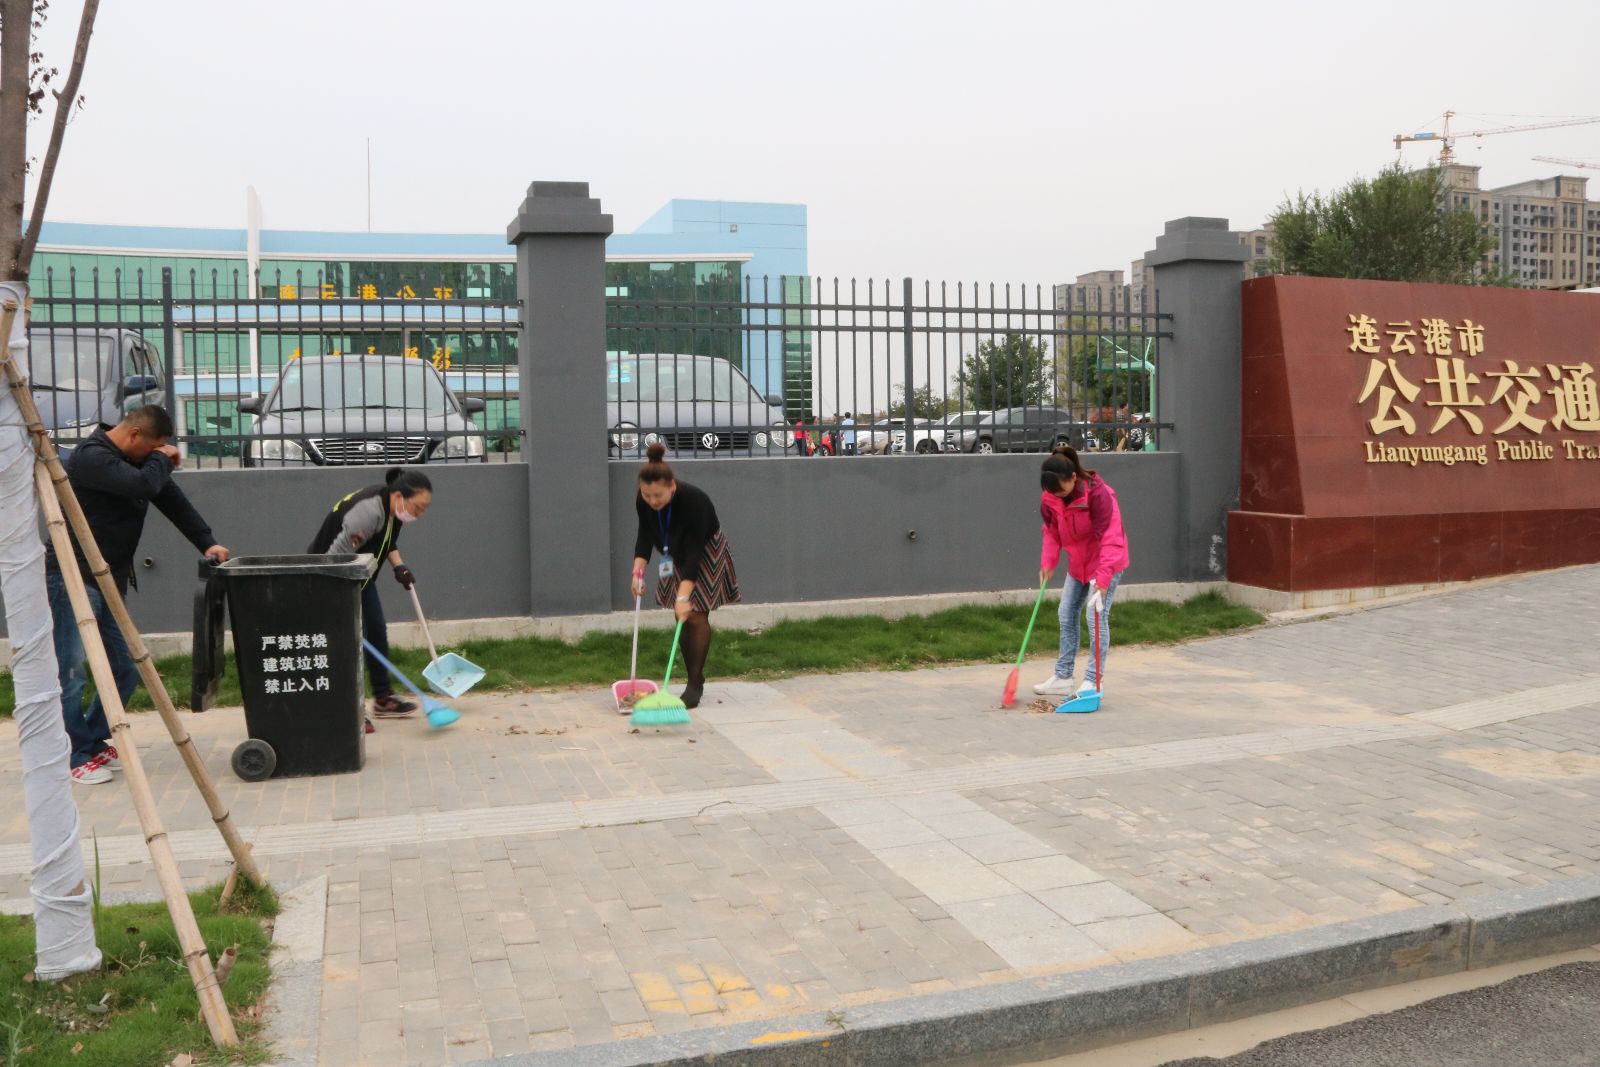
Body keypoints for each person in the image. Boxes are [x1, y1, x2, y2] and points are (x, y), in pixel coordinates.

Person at [45, 405, 230, 785]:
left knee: (125, 668)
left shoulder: (139, 462)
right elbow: (143, 486)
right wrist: (163, 457)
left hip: (110, 577)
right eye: (154, 446)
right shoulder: (91, 457)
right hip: (72, 577)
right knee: (73, 670)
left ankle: (92, 740)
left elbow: (170, 499)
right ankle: (73, 754)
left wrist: (207, 542)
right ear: (133, 435)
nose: (158, 454)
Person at [307, 467, 431, 728]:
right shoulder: (369, 511)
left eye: (423, 510)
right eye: (418, 508)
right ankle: (346, 710)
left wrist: (399, 566)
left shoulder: (392, 509)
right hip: (331, 578)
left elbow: (386, 539)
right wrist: (336, 599)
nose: (419, 514)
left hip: (359, 576)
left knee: (375, 629)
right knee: (346, 643)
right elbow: (335, 556)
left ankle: (382, 698)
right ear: (400, 496)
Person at [629, 442, 740, 709]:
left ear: (672, 487)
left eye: (658, 495)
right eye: (647, 495)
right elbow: (644, 535)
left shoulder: (693, 502)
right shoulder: (644, 500)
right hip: (672, 552)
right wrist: (637, 572)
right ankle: (693, 674)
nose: (652, 501)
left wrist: (683, 596)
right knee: (680, 616)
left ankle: (694, 684)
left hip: (705, 550)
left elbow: (694, 554)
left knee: (695, 614)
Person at [1032, 445, 1129, 699]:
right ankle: (1063, 677)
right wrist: (1048, 562)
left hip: (1105, 562)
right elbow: (1051, 531)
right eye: (1052, 492)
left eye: (1061, 491)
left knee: (1095, 615)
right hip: (1078, 564)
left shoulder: (1097, 494)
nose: (1058, 496)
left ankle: (1092, 682)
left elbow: (1111, 537)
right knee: (1065, 613)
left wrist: (1104, 578)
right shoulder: (1050, 497)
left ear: (1073, 477)